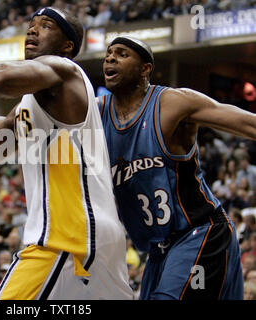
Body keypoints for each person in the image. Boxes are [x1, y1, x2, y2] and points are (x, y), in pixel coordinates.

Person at [0, 7, 133, 300]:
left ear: (67, 46)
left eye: (46, 25)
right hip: (96, 239)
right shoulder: (30, 106)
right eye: (31, 25)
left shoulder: (65, 70)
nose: (32, 30)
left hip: (65, 238)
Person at [97, 36, 246, 299]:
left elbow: (246, 123)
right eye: (108, 53)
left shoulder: (172, 103)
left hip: (201, 232)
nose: (110, 58)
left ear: (145, 69)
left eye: (121, 54)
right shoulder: (97, 115)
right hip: (159, 250)